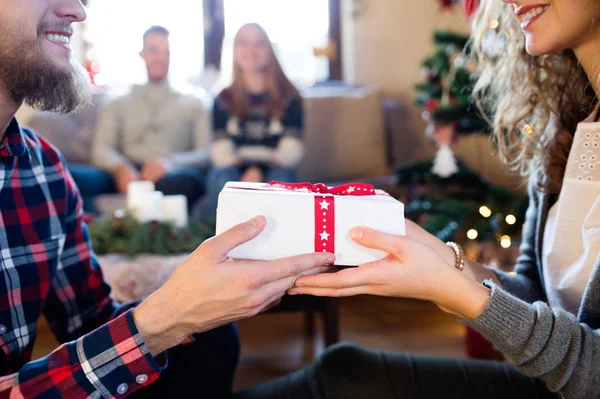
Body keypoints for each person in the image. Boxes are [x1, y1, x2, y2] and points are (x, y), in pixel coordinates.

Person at [234, 1, 600, 398]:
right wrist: (447, 260)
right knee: (343, 369)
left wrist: (455, 292)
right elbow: (535, 292)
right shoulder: (566, 126)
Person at [0, 1, 333, 398]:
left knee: (213, 334)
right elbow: (111, 149)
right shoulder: (122, 102)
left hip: (171, 176)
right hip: (123, 173)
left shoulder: (46, 171)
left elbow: (90, 322)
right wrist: (160, 320)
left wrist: (182, 313)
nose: (78, 10)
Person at [82, 25, 211, 213]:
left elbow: (205, 154)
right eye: (153, 50)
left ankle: (135, 210)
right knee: (68, 177)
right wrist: (120, 168)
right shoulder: (118, 100)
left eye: (166, 51)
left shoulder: (196, 101)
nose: (159, 58)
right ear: (142, 53)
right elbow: (101, 149)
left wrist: (170, 163)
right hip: (125, 173)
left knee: (189, 182)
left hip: (170, 176)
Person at [199, 23, 304, 219]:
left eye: (259, 44)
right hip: (233, 169)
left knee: (282, 179)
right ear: (235, 51)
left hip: (275, 168)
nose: (251, 51)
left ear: (269, 50)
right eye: (244, 44)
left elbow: (291, 151)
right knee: (221, 178)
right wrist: (247, 169)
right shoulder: (222, 99)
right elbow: (220, 153)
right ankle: (213, 238)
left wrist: (258, 168)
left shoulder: (290, 97)